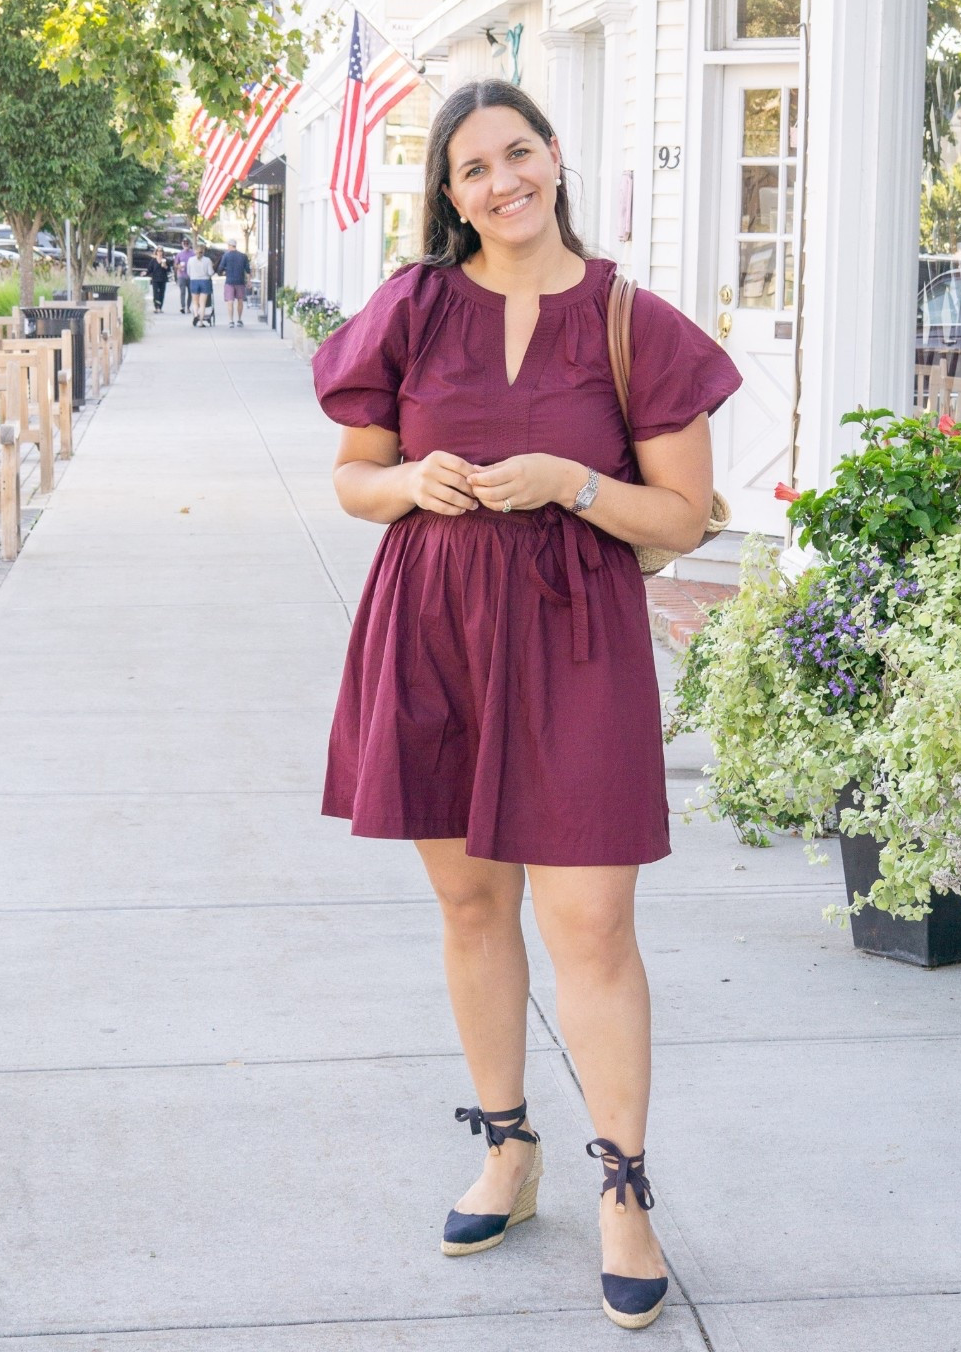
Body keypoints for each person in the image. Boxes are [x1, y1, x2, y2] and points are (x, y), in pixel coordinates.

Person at [312, 79, 739, 1331]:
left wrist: (571, 480)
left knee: (594, 922)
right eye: (472, 169)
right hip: (433, 621)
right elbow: (351, 477)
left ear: (556, 155)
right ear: (448, 194)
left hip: (573, 636)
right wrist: (408, 483)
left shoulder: (631, 321)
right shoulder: (412, 305)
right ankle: (508, 1144)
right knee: (468, 897)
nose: (502, 182)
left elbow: (682, 517)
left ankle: (623, 1187)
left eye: (518, 153)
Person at [221, 242, 250, 327]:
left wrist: (223, 272)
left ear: (230, 246)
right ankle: (239, 319)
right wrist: (249, 281)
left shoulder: (226, 256)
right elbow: (248, 270)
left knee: (230, 301)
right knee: (240, 300)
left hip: (229, 281)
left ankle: (231, 321)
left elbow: (220, 268)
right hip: (240, 281)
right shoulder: (243, 256)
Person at [187, 243, 214, 327]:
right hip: (205, 281)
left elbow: (188, 272)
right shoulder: (207, 260)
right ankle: (201, 322)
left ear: (195, 251)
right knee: (202, 304)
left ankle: (195, 315)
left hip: (194, 281)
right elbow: (210, 272)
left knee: (195, 302)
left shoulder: (190, 260)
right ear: (204, 251)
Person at [175, 241, 194, 315]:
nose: (186, 245)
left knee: (190, 292)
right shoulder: (179, 254)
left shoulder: (193, 254)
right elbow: (176, 264)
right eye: (184, 244)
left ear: (189, 245)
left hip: (190, 275)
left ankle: (188, 307)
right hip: (181, 275)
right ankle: (183, 307)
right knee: (182, 292)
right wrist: (179, 266)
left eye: (187, 244)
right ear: (182, 245)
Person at [149, 249, 170, 313]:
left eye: (161, 251)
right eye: (158, 251)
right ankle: (156, 307)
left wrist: (165, 266)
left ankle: (160, 307)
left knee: (161, 293)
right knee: (155, 293)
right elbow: (150, 269)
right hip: (155, 279)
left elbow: (168, 269)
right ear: (156, 252)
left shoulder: (165, 260)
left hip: (163, 279)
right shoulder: (153, 260)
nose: (160, 252)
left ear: (163, 253)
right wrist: (145, 273)